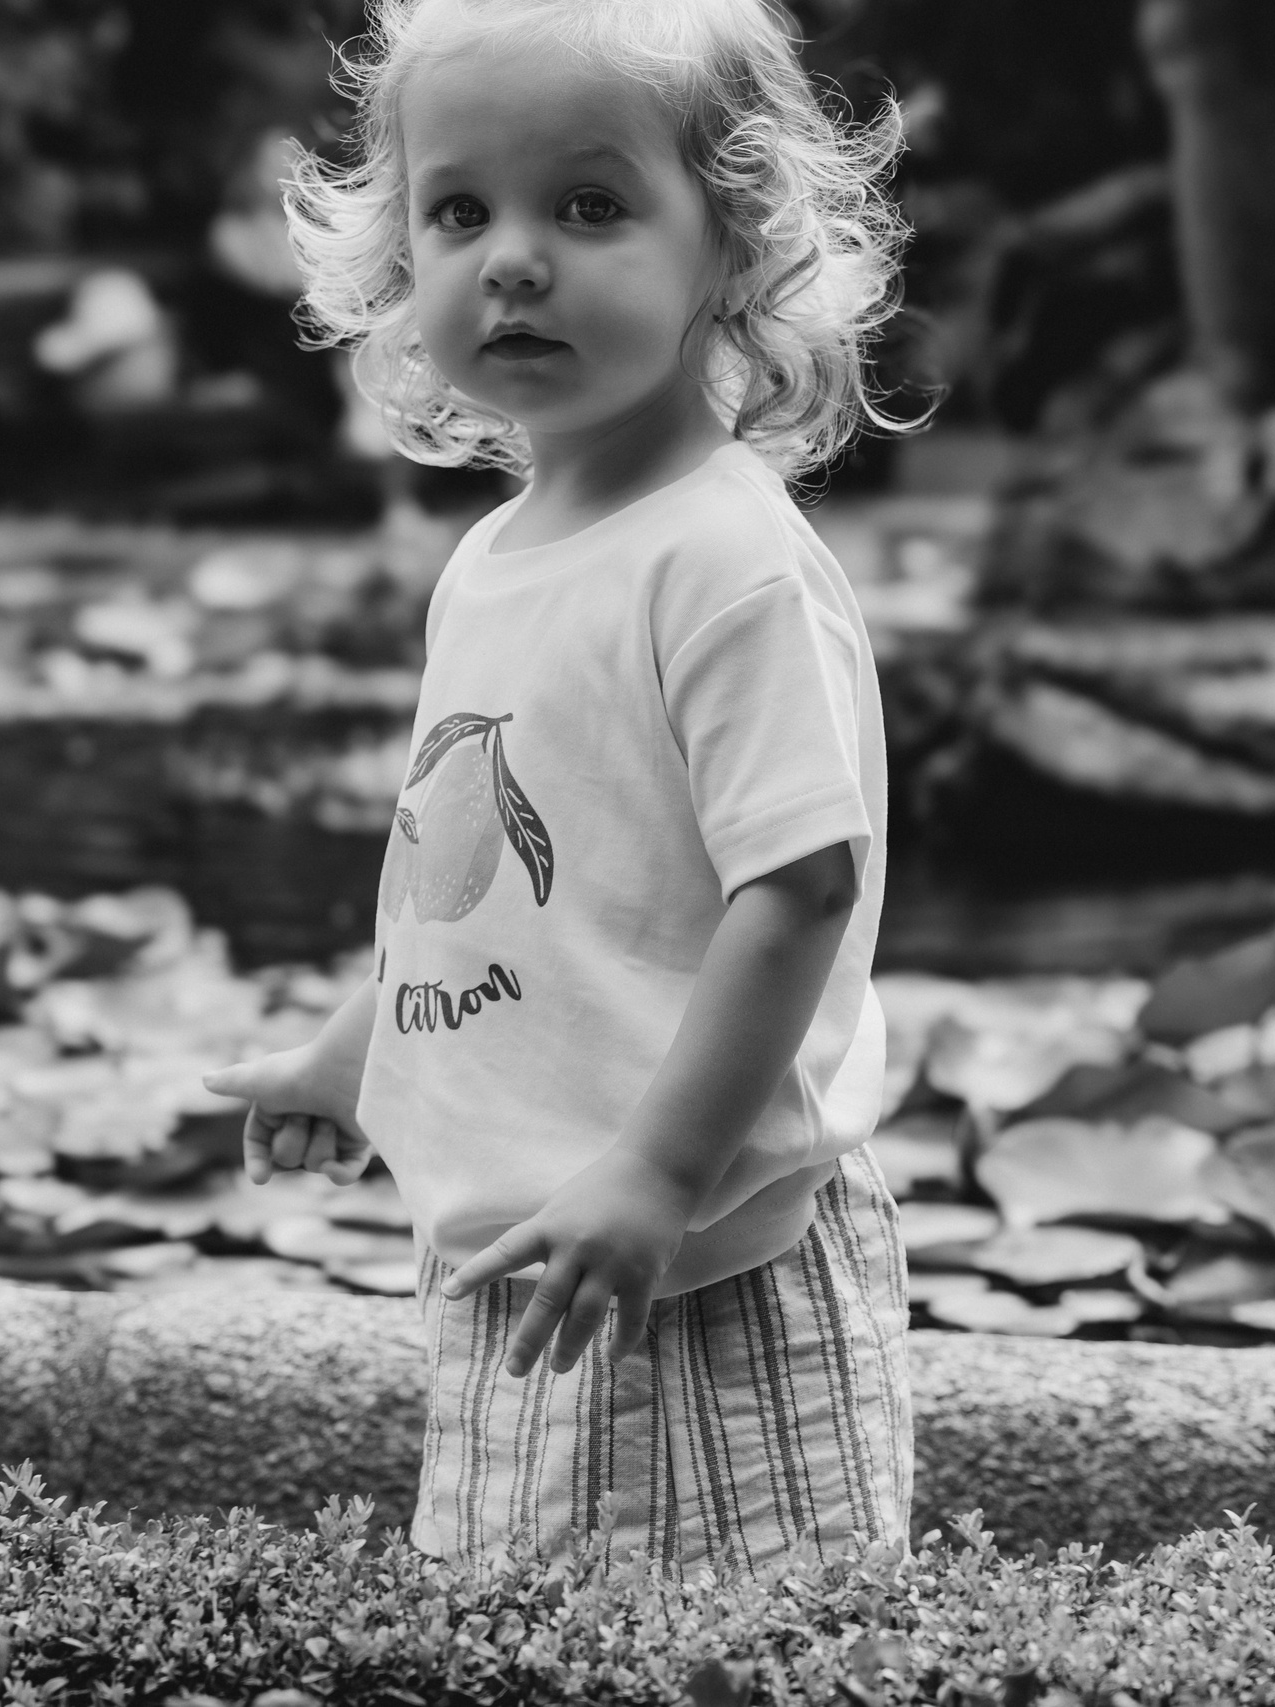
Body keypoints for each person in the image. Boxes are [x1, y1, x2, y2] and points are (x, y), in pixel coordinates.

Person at [201, 0, 913, 1574]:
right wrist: (355, 1050)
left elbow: (799, 890)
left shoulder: (724, 560)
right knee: (520, 1615)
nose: (512, 257)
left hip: (709, 1242)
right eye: (461, 211)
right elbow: (482, 874)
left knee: (743, 1637)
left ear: (731, 245)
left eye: (589, 206)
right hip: (535, 1238)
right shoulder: (490, 563)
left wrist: (658, 1172)